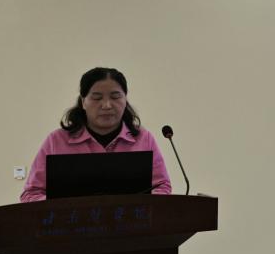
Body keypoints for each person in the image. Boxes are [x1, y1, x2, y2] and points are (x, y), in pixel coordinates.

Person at [19, 67, 172, 202]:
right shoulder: (56, 141)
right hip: (71, 224)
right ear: (83, 102)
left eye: (115, 97)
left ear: (125, 99)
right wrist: (60, 207)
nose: (106, 105)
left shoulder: (144, 139)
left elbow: (162, 186)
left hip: (130, 224)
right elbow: (31, 193)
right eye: (97, 98)